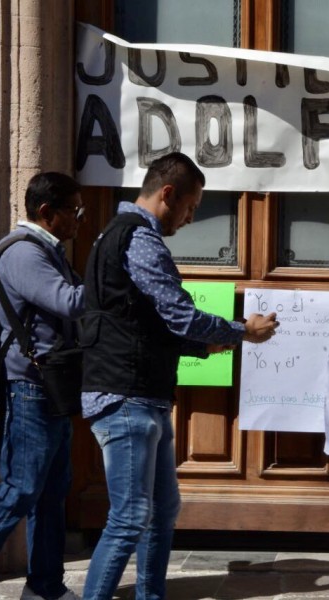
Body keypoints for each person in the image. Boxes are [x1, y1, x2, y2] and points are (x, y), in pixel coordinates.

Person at [80, 152, 279, 600]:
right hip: (126, 395)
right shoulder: (138, 238)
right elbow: (179, 314)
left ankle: (151, 595)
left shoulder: (113, 235)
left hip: (141, 394)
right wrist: (241, 331)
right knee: (130, 516)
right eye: (191, 208)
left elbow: (147, 322)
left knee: (161, 510)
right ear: (167, 194)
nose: (190, 219)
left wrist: (213, 341)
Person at [0, 172, 85, 600]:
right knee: (21, 489)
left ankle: (45, 586)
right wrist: (112, 286)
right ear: (47, 213)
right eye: (74, 211)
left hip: (51, 387)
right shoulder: (25, 253)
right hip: (28, 387)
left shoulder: (49, 251)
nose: (79, 220)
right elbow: (67, 302)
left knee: (52, 491)